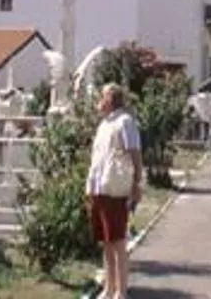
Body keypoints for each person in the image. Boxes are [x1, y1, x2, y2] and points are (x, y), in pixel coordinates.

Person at [85, 82, 143, 299]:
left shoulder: (125, 122)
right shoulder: (103, 125)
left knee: (118, 241)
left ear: (111, 99)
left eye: (102, 96)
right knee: (106, 241)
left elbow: (135, 153)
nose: (99, 100)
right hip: (100, 188)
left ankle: (122, 291)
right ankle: (108, 288)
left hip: (115, 189)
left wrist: (137, 184)